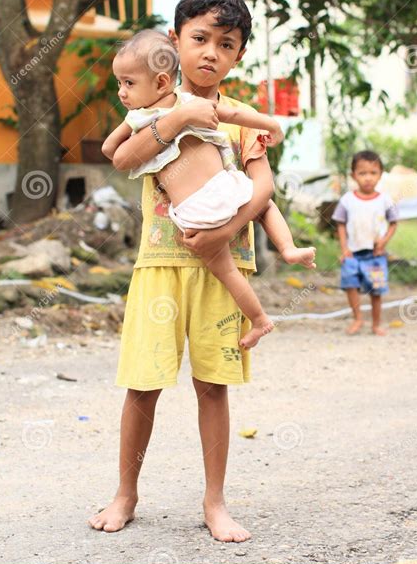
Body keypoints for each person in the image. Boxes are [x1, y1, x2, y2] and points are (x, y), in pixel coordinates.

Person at [88, 0, 313, 542]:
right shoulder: (149, 104)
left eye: (227, 44)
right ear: (175, 42)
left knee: (214, 386)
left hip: (222, 265)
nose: (211, 52)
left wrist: (227, 230)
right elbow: (123, 159)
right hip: (160, 266)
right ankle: (125, 494)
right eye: (200, 38)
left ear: (239, 55)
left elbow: (263, 187)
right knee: (142, 385)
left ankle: (215, 503)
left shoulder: (236, 120)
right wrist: (180, 115)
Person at [102, 28, 315, 348]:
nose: (121, 92)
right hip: (226, 188)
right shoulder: (175, 108)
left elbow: (109, 149)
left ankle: (260, 318)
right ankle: (286, 251)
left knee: (226, 272)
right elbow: (231, 113)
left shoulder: (139, 118)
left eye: (128, 83)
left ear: (161, 82)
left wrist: (131, 125)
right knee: (263, 207)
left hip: (193, 213)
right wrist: (269, 123)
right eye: (120, 83)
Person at [332, 150, 398, 336]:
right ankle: (357, 318)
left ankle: (376, 323)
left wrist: (384, 242)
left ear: (380, 175)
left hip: (375, 255)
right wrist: (344, 248)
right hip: (352, 254)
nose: (368, 178)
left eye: (373, 173)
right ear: (353, 176)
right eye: (362, 173)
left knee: (376, 290)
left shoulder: (385, 200)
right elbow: (341, 225)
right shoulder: (347, 200)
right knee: (350, 285)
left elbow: (393, 223)